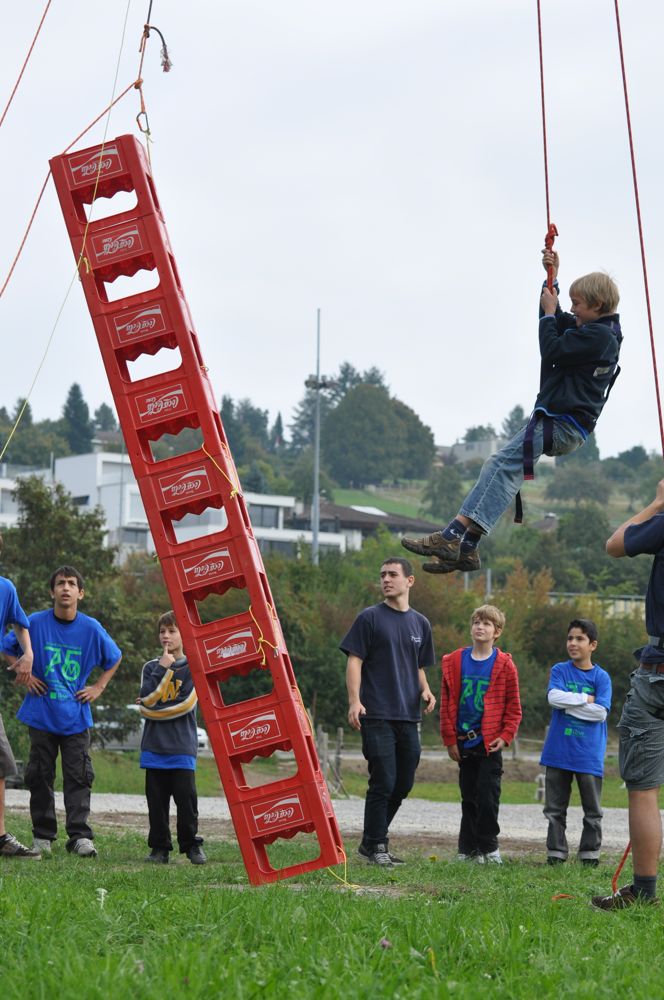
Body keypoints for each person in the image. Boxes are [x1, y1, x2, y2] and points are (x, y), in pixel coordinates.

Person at [401, 249, 622, 574]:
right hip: (562, 424)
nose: (572, 309)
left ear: (597, 307)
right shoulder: (592, 330)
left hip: (562, 425)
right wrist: (552, 280)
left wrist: (550, 314)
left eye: (578, 304)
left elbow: (551, 346)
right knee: (504, 468)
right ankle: (470, 548)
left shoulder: (600, 336)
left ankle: (452, 535)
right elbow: (551, 320)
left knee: (501, 464)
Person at [2, 566, 121, 858]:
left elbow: (114, 658)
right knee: (39, 775)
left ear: (80, 592)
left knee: (78, 776)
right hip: (41, 714)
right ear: (52, 591)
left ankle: (80, 837)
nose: (65, 588)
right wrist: (25, 674)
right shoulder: (35, 623)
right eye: (60, 583)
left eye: (71, 584)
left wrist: (98, 687)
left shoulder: (91, 628)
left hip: (75, 717)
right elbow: (5, 647)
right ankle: (43, 836)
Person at [592, 483, 664, 909]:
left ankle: (645, 891)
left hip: (658, 671)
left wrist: (656, 504)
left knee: (644, 789)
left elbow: (614, 545)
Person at [340, 557, 436, 867]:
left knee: (403, 782)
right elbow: (354, 660)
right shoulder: (369, 618)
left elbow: (417, 665)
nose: (386, 579)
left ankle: (370, 842)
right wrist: (355, 701)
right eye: (382, 574)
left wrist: (425, 688)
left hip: (408, 715)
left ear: (409, 581)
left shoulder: (421, 623)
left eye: (393, 574)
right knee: (383, 778)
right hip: (376, 712)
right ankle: (378, 844)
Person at [440, 604, 521, 864]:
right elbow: (446, 704)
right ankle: (468, 850)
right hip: (464, 741)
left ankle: (489, 847)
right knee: (468, 797)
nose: (480, 627)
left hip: (490, 742)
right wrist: (450, 739)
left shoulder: (505, 665)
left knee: (488, 796)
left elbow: (514, 707)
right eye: (476, 622)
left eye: (486, 624)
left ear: (497, 631)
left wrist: (506, 735)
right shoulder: (453, 661)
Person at [540, 619, 611, 867]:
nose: (573, 643)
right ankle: (556, 854)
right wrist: (585, 698)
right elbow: (553, 697)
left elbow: (601, 713)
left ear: (592, 644)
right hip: (557, 752)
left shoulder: (602, 677)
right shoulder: (560, 670)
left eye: (579, 639)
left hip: (588, 754)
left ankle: (589, 856)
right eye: (570, 638)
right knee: (554, 809)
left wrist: (570, 708)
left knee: (592, 811)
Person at [138, 610, 205, 865]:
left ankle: (191, 846)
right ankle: (159, 848)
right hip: (154, 748)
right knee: (156, 804)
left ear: (183, 634)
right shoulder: (150, 667)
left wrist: (150, 707)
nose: (166, 636)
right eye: (162, 631)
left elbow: (184, 705)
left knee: (186, 802)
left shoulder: (193, 667)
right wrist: (163, 670)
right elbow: (145, 704)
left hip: (181, 748)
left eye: (172, 631)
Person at [0, 568, 40, 860]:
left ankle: (0, 837)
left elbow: (20, 623)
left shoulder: (5, 589)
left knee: (1, 761)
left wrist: (28, 654)